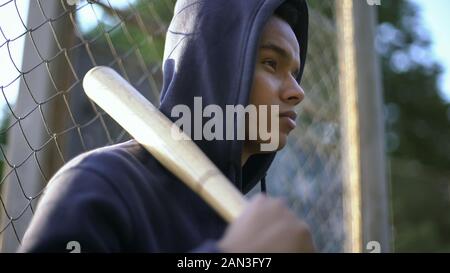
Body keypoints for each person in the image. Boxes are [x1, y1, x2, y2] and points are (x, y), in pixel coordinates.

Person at [19, 0, 315, 253]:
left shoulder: (247, 225)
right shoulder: (104, 183)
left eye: (294, 73)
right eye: (271, 63)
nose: (297, 92)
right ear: (215, 66)